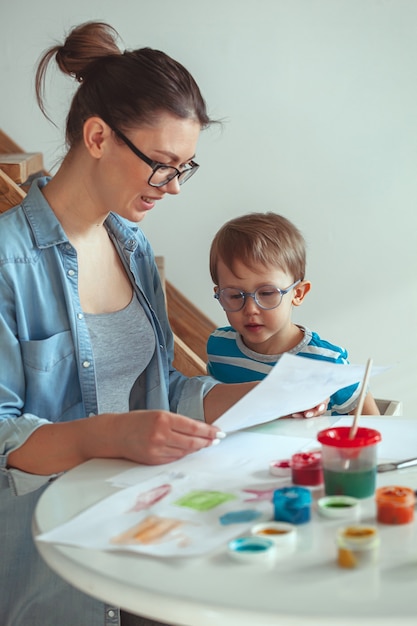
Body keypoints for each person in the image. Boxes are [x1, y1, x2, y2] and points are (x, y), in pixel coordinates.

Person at [0, 22, 327, 626]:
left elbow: (163, 393)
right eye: (162, 165)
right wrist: (111, 435)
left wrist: (265, 398)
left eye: (185, 168)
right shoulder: (8, 262)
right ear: (98, 136)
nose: (174, 187)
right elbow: (3, 438)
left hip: (144, 541)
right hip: (54, 574)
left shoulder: (132, 250)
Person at [207, 211, 380, 416]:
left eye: (267, 293)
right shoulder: (218, 347)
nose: (251, 309)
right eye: (235, 295)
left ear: (297, 294)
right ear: (219, 295)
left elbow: (373, 426)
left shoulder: (327, 362)